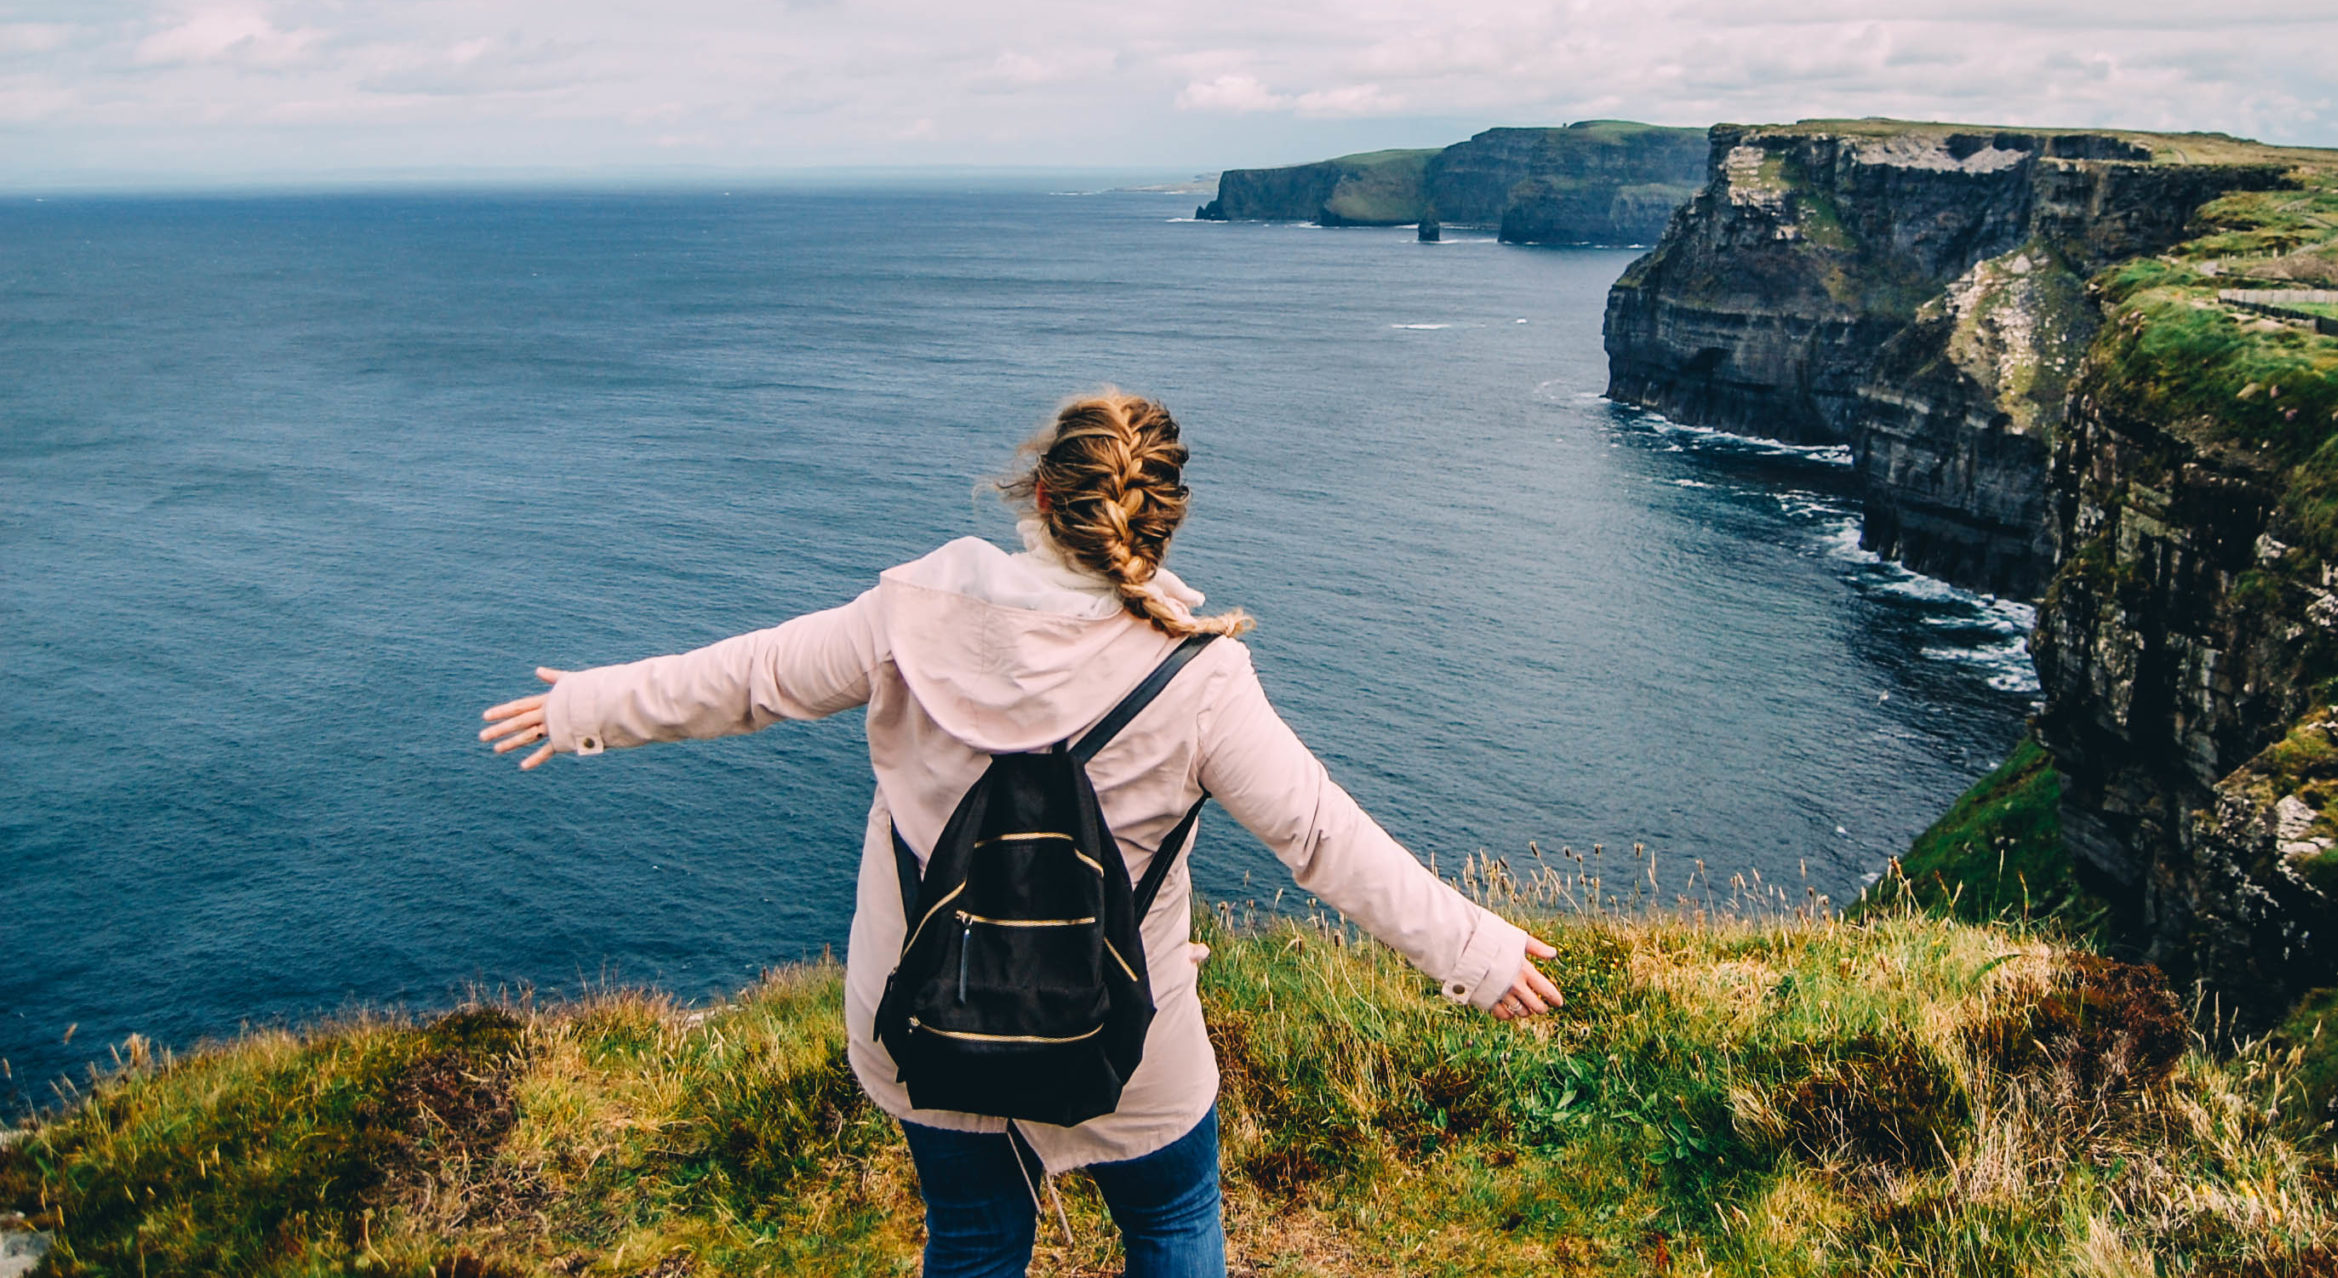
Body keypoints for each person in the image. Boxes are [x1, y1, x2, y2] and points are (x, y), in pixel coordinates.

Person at [481, 389, 1563, 1278]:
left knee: (975, 1236)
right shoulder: (1200, 679)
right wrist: (1477, 951)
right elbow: (1322, 837)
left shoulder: (906, 619)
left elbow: (752, 678)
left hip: (925, 1018)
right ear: (1159, 521)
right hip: (1122, 1032)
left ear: (1039, 496)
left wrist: (586, 707)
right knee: (1172, 1224)